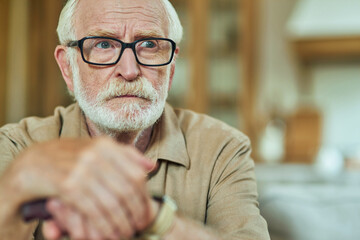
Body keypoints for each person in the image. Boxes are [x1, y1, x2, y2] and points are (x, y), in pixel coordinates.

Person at [0, 0, 270, 239]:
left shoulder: (222, 149)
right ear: (67, 67)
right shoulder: (17, 145)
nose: (129, 71)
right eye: (104, 44)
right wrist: (19, 182)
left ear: (171, 68)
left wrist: (153, 218)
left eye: (149, 44)